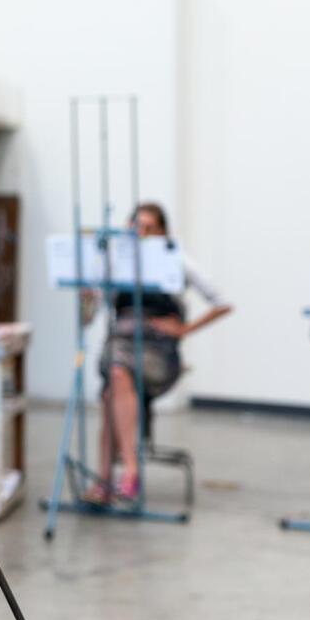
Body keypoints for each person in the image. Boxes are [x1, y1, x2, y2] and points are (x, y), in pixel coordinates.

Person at [85, 202, 231, 504]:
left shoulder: (176, 260)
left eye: (149, 227)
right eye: (136, 226)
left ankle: (121, 472)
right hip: (119, 343)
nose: (141, 232)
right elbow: (88, 314)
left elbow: (222, 301)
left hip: (157, 351)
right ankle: (115, 475)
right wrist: (86, 296)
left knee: (115, 378)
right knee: (112, 386)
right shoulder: (115, 264)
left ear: (162, 232)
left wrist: (184, 329)